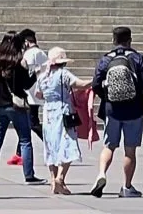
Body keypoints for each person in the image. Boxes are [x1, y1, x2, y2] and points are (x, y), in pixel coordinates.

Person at [87, 26, 143, 198]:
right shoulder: (137, 58)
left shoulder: (106, 59)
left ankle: (101, 174)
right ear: (130, 40)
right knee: (130, 151)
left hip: (112, 110)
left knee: (109, 146)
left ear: (113, 40)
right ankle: (127, 187)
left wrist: (107, 97)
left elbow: (96, 84)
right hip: (133, 110)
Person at [0, 32, 39, 187]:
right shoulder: (18, 62)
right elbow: (26, 84)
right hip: (16, 106)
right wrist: (34, 74)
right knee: (25, 140)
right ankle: (29, 176)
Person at [34, 47, 88, 194]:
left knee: (51, 145)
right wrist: (94, 81)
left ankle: (53, 180)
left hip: (48, 112)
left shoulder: (42, 76)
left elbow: (38, 94)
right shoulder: (63, 74)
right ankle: (60, 178)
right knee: (68, 144)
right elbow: (80, 84)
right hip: (63, 112)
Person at [14, 30, 47, 177]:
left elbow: (26, 74)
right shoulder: (43, 54)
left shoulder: (28, 55)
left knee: (31, 123)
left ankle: (48, 142)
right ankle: (19, 152)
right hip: (39, 91)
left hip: (29, 93)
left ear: (27, 42)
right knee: (27, 123)